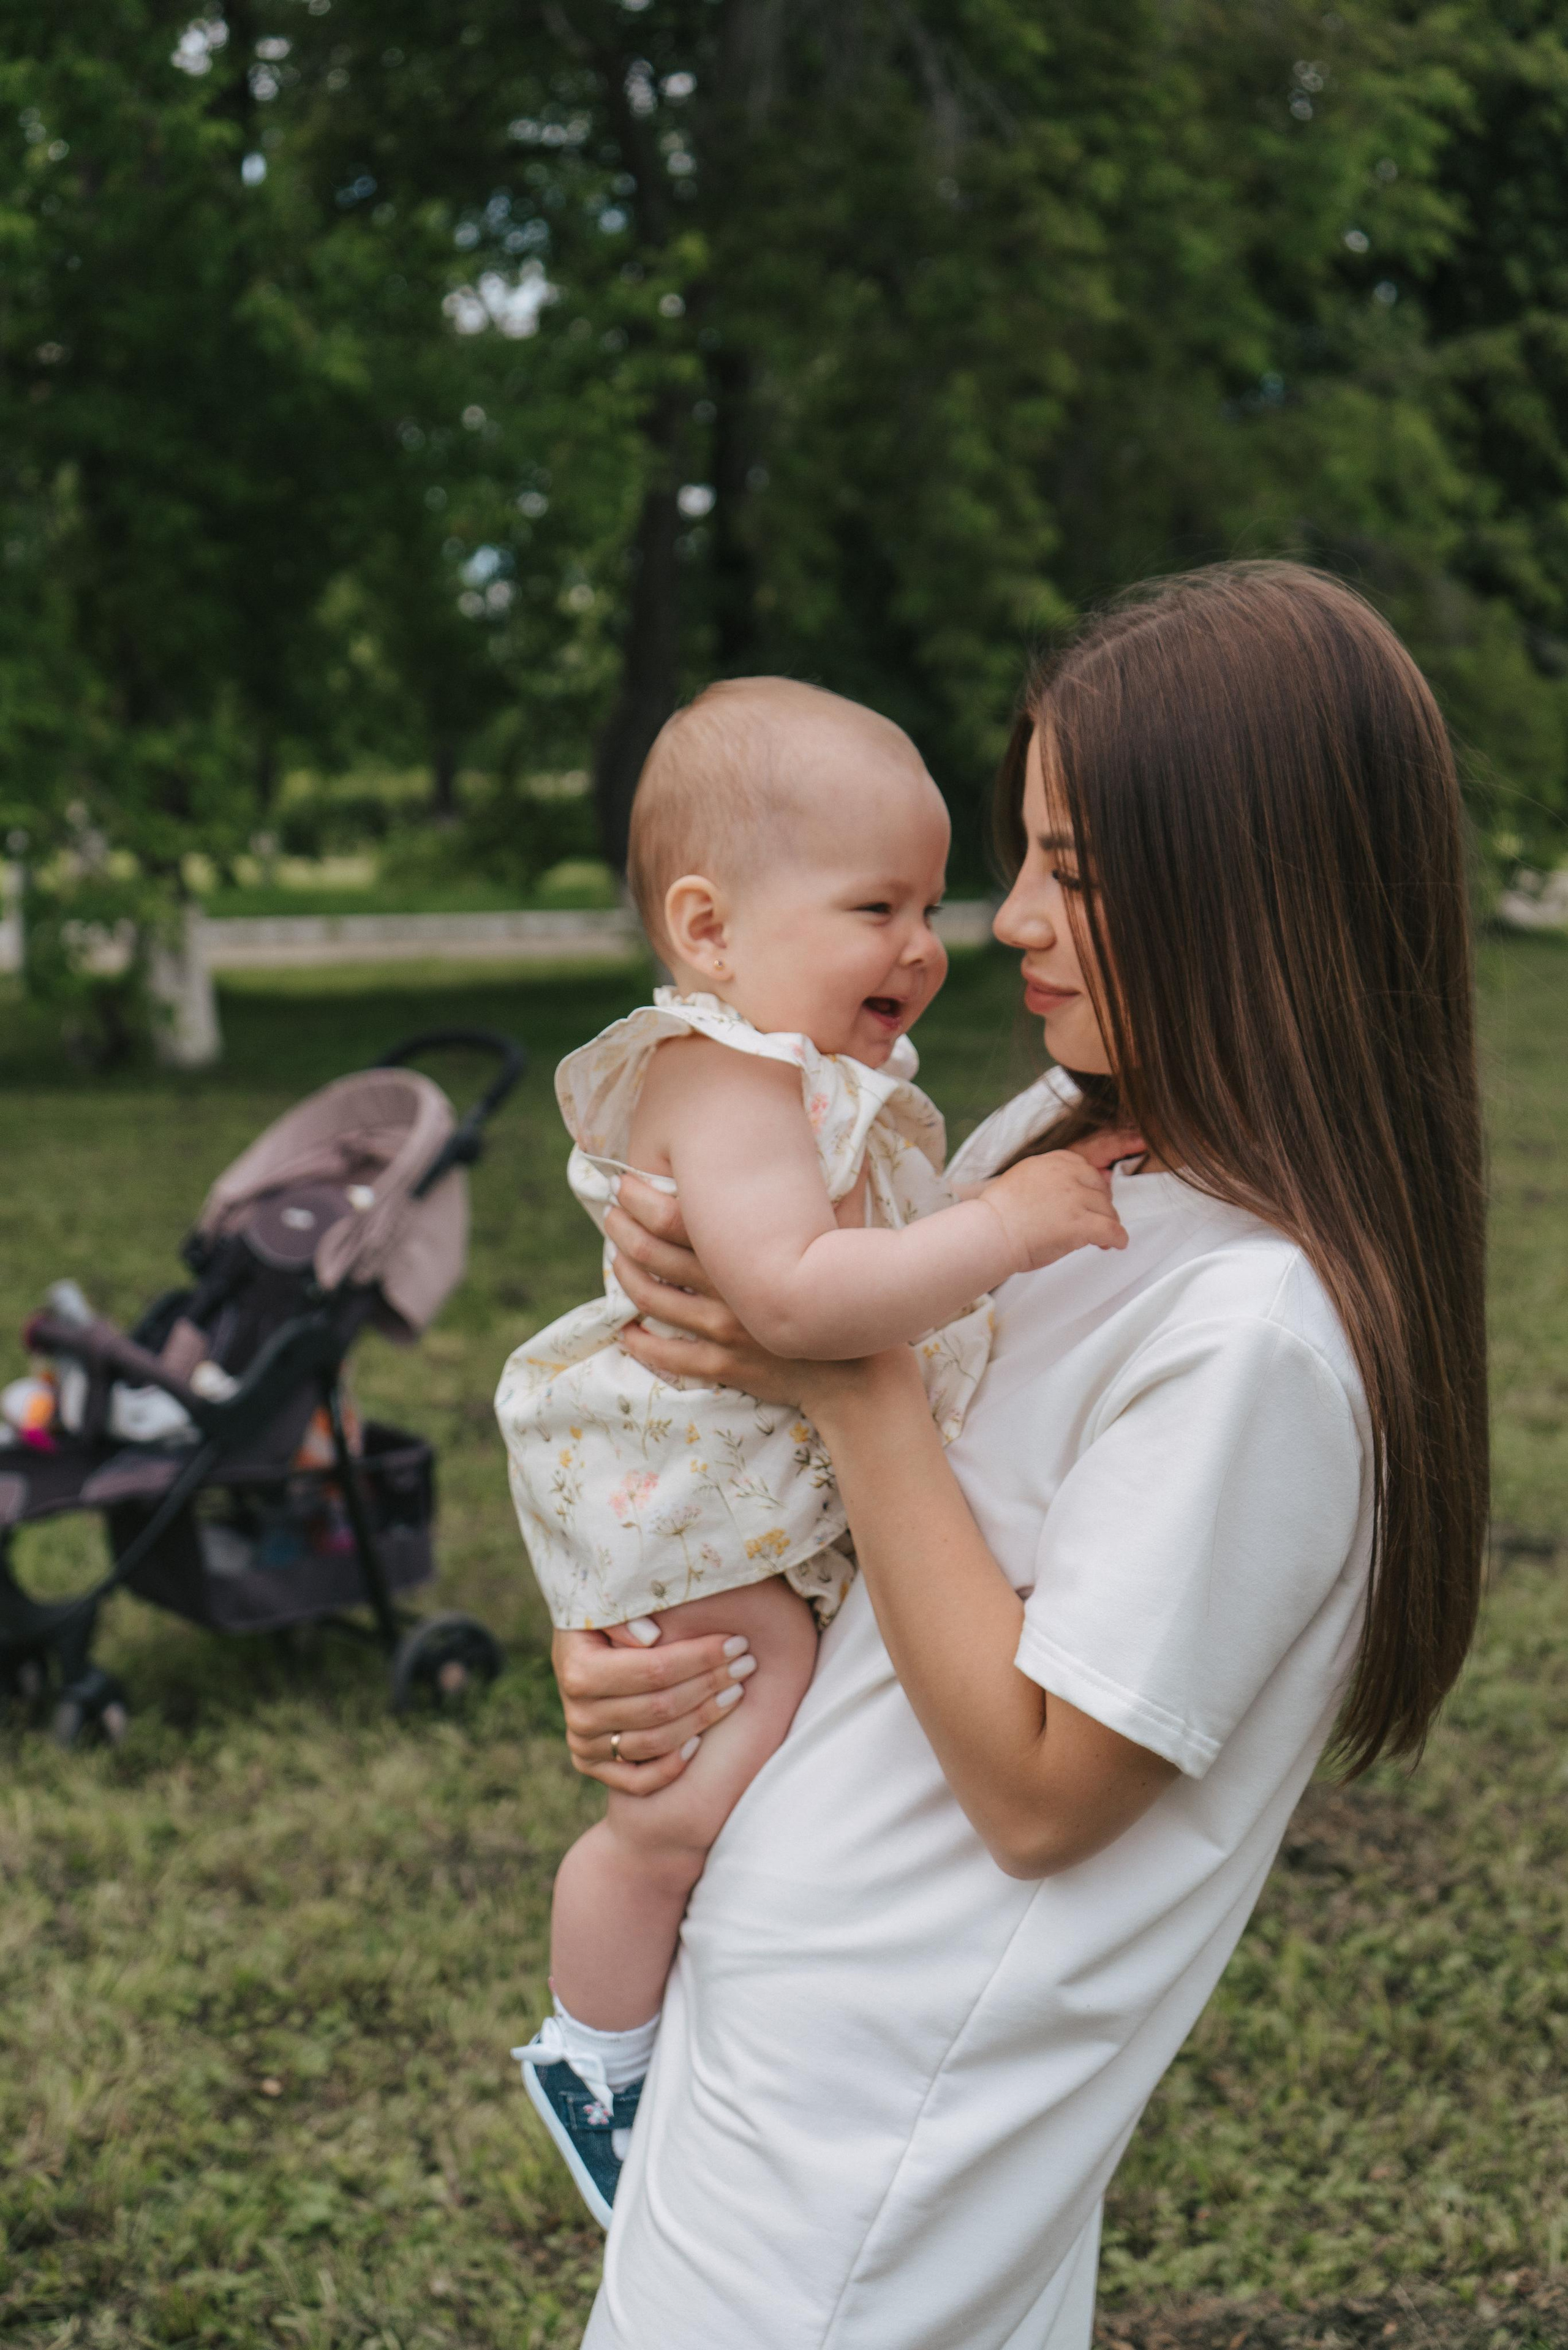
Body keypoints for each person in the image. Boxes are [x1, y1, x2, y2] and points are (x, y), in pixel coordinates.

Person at [545, 562, 1489, 2349]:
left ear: (1252, 896)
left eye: (1079, 867)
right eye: (1029, 850)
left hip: (882, 2137)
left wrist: (853, 1375)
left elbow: (1046, 1789)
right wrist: (656, 1646)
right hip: (785, 2026)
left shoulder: (1258, 1332)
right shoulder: (1059, 1148)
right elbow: (865, 1546)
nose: (1004, 918)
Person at [497, 678, 1134, 2221]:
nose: (929, 943)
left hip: (744, 1480)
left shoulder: (806, 1079)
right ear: (709, 931)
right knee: (685, 1784)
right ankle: (596, 2050)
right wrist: (1000, 1228)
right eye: (876, 904)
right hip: (695, 1484)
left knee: (744, 1714)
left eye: (928, 898)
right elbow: (791, 1299)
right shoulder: (719, 1075)